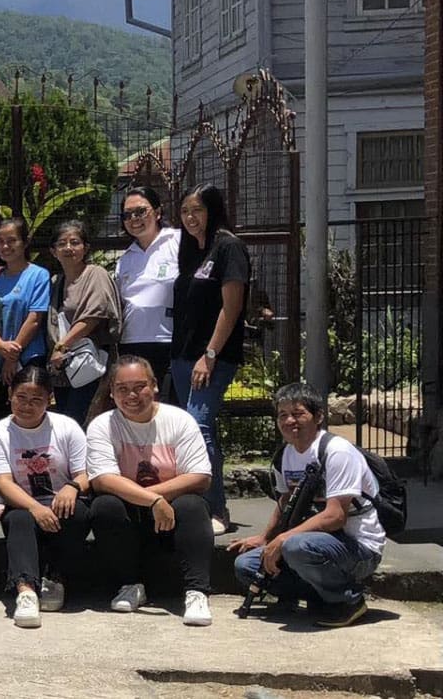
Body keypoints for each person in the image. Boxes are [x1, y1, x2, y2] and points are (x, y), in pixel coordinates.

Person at [230, 383, 384, 628]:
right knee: (247, 565)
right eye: (283, 415)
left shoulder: (336, 452)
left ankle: (349, 600)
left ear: (318, 416)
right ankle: (321, 596)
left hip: (358, 547)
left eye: (298, 413)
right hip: (317, 542)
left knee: (294, 546)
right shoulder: (285, 455)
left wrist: (281, 540)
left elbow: (335, 516)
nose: (290, 421)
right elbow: (285, 502)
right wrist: (265, 538)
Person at [87, 355, 214, 626]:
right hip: (131, 514)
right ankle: (129, 584)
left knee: (193, 505)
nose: (131, 395)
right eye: (122, 389)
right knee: (104, 506)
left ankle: (197, 591)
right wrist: (153, 499)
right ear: (111, 392)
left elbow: (201, 476)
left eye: (139, 386)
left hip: (172, 514)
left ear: (154, 386)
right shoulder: (103, 424)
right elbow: (102, 480)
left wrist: (158, 498)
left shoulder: (179, 420)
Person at [0, 367, 92, 629]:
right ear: (10, 395)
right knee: (20, 519)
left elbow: (85, 473)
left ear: (49, 400)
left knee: (78, 513)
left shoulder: (66, 427)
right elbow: (2, 481)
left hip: (61, 501)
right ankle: (26, 590)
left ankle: (56, 576)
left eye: (36, 400)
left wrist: (72, 487)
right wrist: (35, 507)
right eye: (21, 398)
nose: (27, 406)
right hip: (21, 503)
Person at [170, 184, 250, 533]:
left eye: (197, 210)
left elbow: (231, 308)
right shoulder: (190, 251)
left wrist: (210, 355)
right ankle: (194, 507)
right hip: (182, 357)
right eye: (185, 211)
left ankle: (218, 510)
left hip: (212, 358)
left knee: (199, 427)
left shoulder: (229, 247)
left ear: (213, 210)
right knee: (188, 431)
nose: (190, 218)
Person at [49, 220, 120, 424]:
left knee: (82, 420)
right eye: (62, 244)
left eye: (74, 242)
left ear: (86, 247)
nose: (68, 248)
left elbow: (93, 316)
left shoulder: (95, 274)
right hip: (63, 368)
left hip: (90, 365)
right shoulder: (56, 281)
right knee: (64, 422)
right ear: (53, 251)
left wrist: (62, 346)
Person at [116, 186, 182, 391]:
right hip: (131, 344)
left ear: (158, 212)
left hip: (170, 342)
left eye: (141, 212)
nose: (134, 218)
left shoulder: (178, 241)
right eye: (127, 215)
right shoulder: (125, 259)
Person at [0, 217, 52, 387]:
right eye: (0, 241)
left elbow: (35, 319)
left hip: (29, 357)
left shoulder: (39, 275)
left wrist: (12, 356)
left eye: (12, 241)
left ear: (25, 243)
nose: (5, 246)